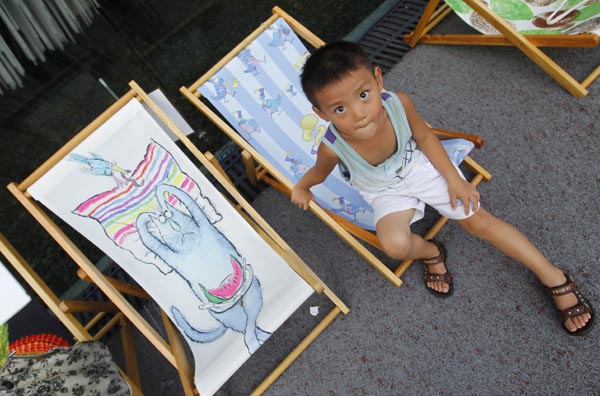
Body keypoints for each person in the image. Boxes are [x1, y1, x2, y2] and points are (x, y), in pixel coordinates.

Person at [291, 41, 594, 336]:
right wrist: (303, 187)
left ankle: (552, 275)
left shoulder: (398, 103)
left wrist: (455, 180)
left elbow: (424, 137)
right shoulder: (332, 147)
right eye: (340, 108)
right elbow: (318, 172)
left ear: (378, 79)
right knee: (394, 245)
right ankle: (432, 251)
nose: (358, 113)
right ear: (322, 114)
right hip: (382, 190)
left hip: (415, 166)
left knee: (478, 220)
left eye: (364, 94)